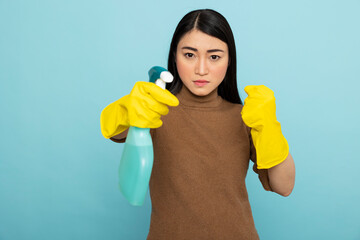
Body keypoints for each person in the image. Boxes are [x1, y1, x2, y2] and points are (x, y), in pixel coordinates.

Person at [100, 9, 295, 240]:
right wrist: (126, 110)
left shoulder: (247, 117)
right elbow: (119, 131)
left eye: (214, 57)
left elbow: (284, 186)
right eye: (190, 55)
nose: (201, 69)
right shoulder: (153, 110)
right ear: (175, 56)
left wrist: (269, 127)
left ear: (229, 60)